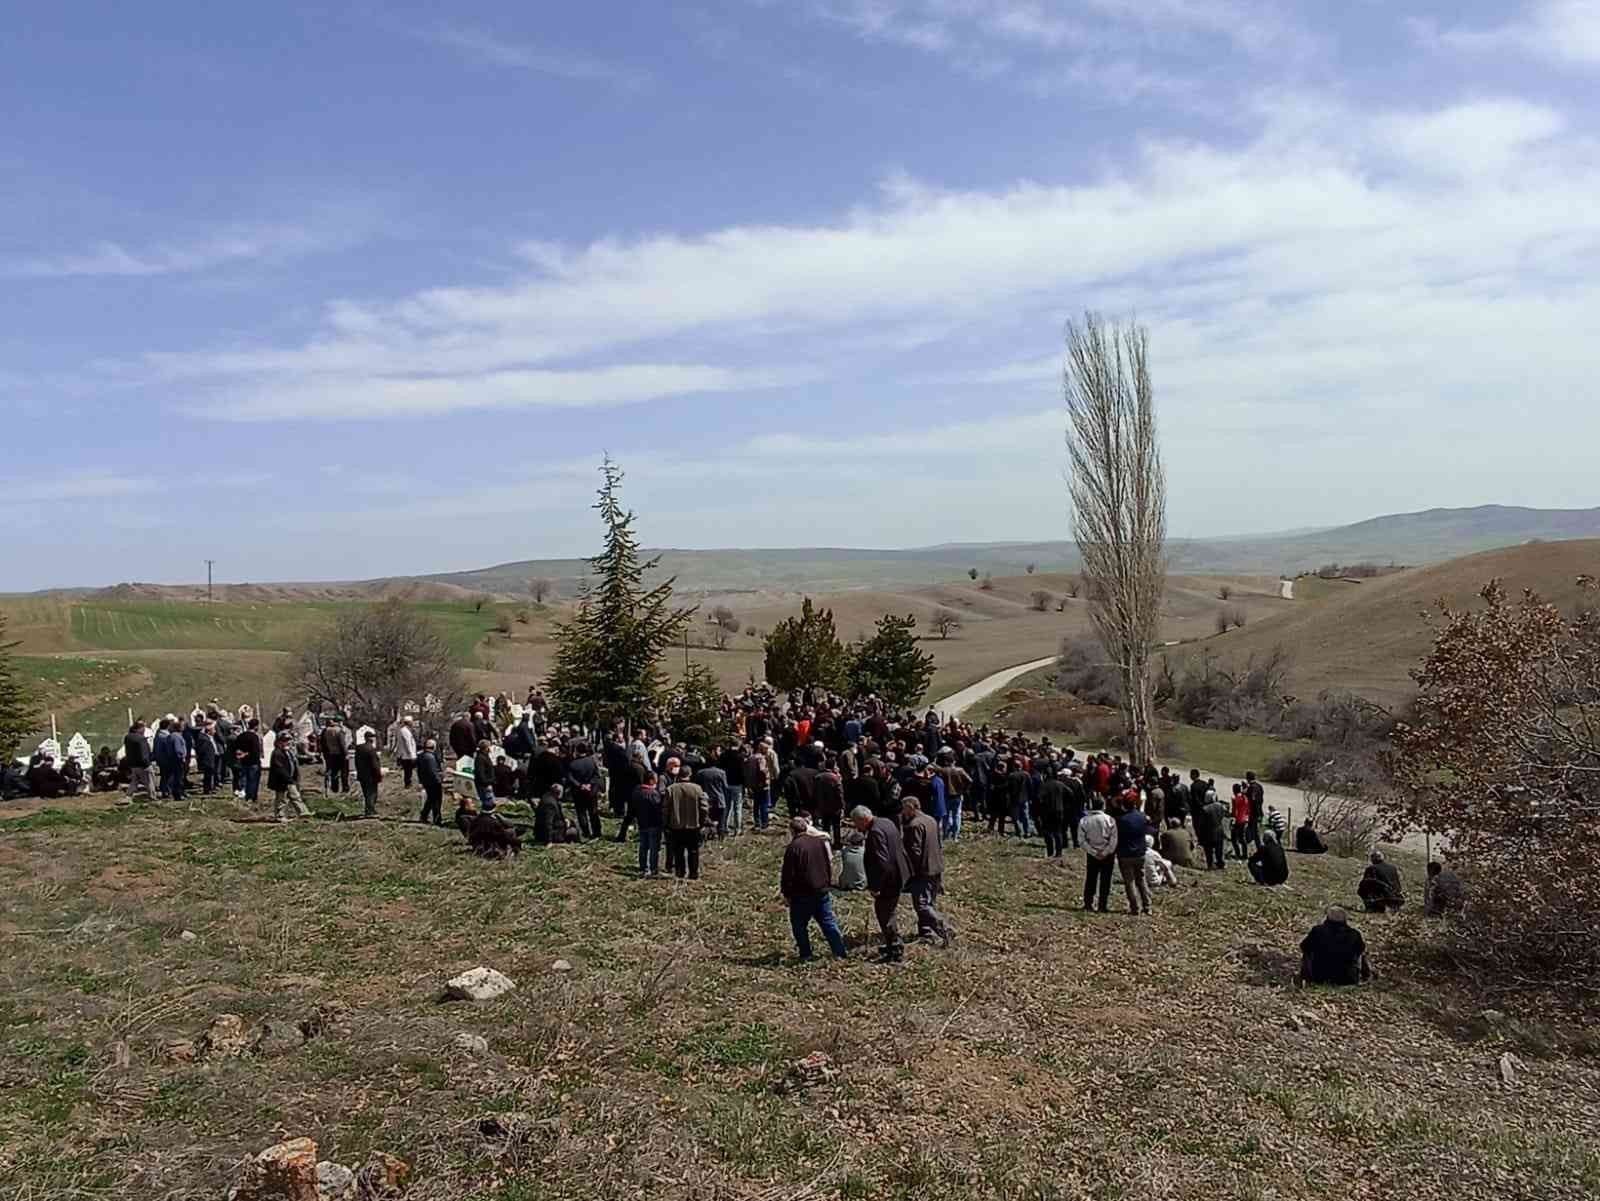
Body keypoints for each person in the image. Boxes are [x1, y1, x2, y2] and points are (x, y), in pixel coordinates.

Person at [780, 816, 849, 961]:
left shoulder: (794, 847)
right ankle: (840, 952)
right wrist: (827, 883)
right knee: (828, 922)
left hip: (802, 893)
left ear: (792, 830)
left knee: (799, 925)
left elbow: (788, 874)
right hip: (822, 889)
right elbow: (827, 864)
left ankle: (806, 954)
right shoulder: (819, 842)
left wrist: (786, 893)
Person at [852, 804, 910, 963]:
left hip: (889, 880)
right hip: (899, 874)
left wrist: (876, 887)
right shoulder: (886, 822)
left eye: (856, 823)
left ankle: (896, 950)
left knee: (885, 914)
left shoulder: (875, 832)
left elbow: (881, 862)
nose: (856, 827)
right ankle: (892, 944)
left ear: (863, 819)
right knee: (888, 911)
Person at [901, 797, 955, 947]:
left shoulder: (913, 825)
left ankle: (945, 929)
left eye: (903, 808)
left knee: (922, 904)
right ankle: (925, 932)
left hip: (923, 870)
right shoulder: (930, 820)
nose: (902, 812)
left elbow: (914, 851)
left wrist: (909, 871)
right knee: (929, 902)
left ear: (910, 807)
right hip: (936, 866)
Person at [1299, 907, 1371, 986]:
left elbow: (1304, 947)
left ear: (1327, 918)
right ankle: (1366, 975)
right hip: (1348, 979)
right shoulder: (1354, 934)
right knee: (1361, 953)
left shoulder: (1317, 931)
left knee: (1308, 950)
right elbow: (1360, 951)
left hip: (1319, 977)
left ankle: (1305, 977)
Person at [663, 767, 709, 879]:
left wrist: (666, 823)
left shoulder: (671, 789)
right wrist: (702, 821)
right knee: (693, 850)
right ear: (690, 774)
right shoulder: (697, 788)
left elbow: (665, 809)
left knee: (678, 851)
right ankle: (693, 873)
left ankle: (680, 872)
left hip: (676, 825)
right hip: (693, 825)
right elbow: (704, 808)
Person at [1116, 797, 1153, 915]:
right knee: (1141, 880)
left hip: (1125, 854)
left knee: (1129, 882)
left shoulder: (1121, 820)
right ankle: (1147, 906)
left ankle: (1135, 907)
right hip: (1140, 853)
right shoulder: (1142, 817)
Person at [1080, 797, 1118, 913]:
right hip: (1107, 854)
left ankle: (1088, 903)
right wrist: (1106, 851)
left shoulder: (1084, 821)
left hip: (1092, 853)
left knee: (1091, 878)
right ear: (1103, 806)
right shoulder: (1110, 820)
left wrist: (1093, 852)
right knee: (1105, 880)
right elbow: (1114, 839)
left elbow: (1081, 840)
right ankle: (1102, 905)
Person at [267, 733, 310, 822]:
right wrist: (288, 779)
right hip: (281, 781)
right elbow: (279, 768)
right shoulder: (277, 753)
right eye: (285, 741)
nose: (287, 743)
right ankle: (280, 816)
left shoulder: (288, 752)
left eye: (288, 741)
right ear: (279, 742)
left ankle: (303, 813)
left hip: (290, 779)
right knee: (282, 799)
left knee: (295, 796)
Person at [566, 743, 603, 840]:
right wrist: (590, 784)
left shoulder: (572, 764)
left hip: (578, 792)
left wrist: (580, 785)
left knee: (581, 813)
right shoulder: (591, 761)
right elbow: (597, 776)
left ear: (577, 751)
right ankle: (597, 832)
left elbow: (570, 778)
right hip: (591, 792)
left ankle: (586, 832)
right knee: (593, 812)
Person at [633, 770, 664, 877]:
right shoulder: (653, 794)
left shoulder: (637, 791)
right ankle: (653, 868)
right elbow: (658, 809)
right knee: (654, 848)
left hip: (642, 822)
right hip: (654, 823)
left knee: (643, 846)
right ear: (651, 780)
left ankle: (643, 867)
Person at [123, 720, 154, 804]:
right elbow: (143, 753)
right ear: (139, 728)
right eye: (143, 728)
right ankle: (152, 797)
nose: (144, 730)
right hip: (143, 765)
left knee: (135, 781)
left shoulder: (128, 737)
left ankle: (128, 795)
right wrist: (147, 763)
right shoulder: (141, 739)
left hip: (133, 764)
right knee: (149, 781)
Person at [234, 718, 263, 805]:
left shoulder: (241, 736)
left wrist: (241, 755)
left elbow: (236, 748)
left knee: (244, 779)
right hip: (253, 762)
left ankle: (245, 794)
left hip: (243, 762)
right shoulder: (254, 737)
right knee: (253, 781)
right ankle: (252, 797)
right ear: (256, 727)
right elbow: (256, 751)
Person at [416, 738, 445, 825]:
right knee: (436, 801)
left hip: (426, 781)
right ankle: (437, 819)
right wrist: (440, 779)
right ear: (433, 747)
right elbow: (433, 772)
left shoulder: (421, 756)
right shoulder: (430, 758)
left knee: (430, 800)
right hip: (433, 782)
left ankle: (424, 816)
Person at [355, 731, 383, 817]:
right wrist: (379, 775)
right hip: (371, 776)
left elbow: (356, 762)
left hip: (362, 775)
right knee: (372, 794)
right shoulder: (371, 749)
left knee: (366, 794)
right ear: (371, 739)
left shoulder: (359, 748)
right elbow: (374, 765)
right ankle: (370, 811)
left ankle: (368, 810)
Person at [320, 719, 350, 794]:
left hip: (332, 753)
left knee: (334, 771)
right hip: (340, 754)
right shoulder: (339, 731)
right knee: (344, 772)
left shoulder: (326, 731)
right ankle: (345, 788)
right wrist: (346, 753)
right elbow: (342, 743)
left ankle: (334, 788)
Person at [394, 716, 418, 789]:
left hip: (407, 754)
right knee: (408, 771)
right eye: (412, 722)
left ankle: (409, 783)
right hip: (407, 755)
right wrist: (411, 755)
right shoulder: (404, 731)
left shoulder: (406, 730)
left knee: (409, 770)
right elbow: (408, 743)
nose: (413, 723)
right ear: (409, 723)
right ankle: (408, 784)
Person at [1229, 783, 1251, 860]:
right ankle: (1245, 855)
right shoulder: (1245, 798)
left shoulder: (1234, 799)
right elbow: (1248, 810)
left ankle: (1238, 853)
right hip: (1245, 819)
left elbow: (1234, 811)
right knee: (1242, 838)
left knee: (1234, 838)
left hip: (1238, 820)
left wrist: (1232, 820)